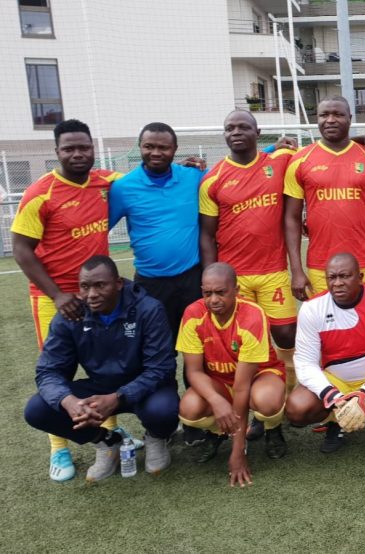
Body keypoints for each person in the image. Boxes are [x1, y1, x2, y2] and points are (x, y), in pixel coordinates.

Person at [11, 119, 123, 482]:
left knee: (105, 365)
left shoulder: (105, 182)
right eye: (69, 148)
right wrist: (57, 294)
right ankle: (58, 447)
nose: (77, 154)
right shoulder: (40, 193)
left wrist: (187, 168)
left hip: (100, 296)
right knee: (57, 373)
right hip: (56, 298)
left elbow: (143, 179)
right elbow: (21, 249)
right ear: (56, 152)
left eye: (83, 147)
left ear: (93, 148)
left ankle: (111, 434)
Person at [23, 256, 178, 482]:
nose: (91, 294)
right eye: (85, 287)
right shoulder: (71, 315)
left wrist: (119, 396)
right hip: (99, 387)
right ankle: (106, 441)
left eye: (100, 285)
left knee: (164, 409)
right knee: (38, 409)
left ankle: (155, 437)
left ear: (118, 283)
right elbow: (48, 371)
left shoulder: (148, 309)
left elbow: (161, 367)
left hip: (144, 388)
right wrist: (68, 401)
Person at [199, 110, 298, 431]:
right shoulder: (212, 179)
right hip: (235, 277)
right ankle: (256, 410)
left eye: (243, 127)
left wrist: (361, 138)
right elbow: (207, 234)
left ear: (258, 132)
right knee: (244, 342)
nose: (236, 132)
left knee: (286, 334)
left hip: (273, 271)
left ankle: (286, 396)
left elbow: (322, 150)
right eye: (230, 128)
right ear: (224, 135)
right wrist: (211, 278)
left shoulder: (279, 161)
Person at [109, 122, 207, 445]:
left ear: (174, 150)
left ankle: (195, 421)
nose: (155, 152)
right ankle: (162, 426)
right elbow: (96, 230)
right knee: (158, 355)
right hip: (150, 287)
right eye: (149, 146)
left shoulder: (191, 177)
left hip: (192, 280)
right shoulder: (124, 188)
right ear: (139, 147)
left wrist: (272, 149)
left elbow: (234, 170)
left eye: (163, 147)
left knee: (197, 352)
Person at [286, 253, 365, 453]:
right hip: (336, 380)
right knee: (297, 409)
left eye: (344, 276)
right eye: (332, 277)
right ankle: (336, 419)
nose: (337, 283)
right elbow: (305, 362)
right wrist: (332, 396)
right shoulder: (311, 308)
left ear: (360, 278)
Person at [176, 263, 287, 487]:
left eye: (221, 292)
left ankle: (272, 428)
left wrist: (238, 452)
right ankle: (220, 431)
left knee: (266, 400)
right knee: (189, 408)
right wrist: (216, 400)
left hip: (258, 377)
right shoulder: (193, 314)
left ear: (236, 290)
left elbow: (242, 387)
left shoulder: (252, 315)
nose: (213, 300)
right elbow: (193, 372)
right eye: (207, 293)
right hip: (220, 381)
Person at [284, 96, 365, 300]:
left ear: (350, 118)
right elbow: (292, 218)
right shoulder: (299, 160)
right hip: (321, 264)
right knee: (327, 319)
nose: (330, 120)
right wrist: (296, 270)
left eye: (338, 114)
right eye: (324, 115)